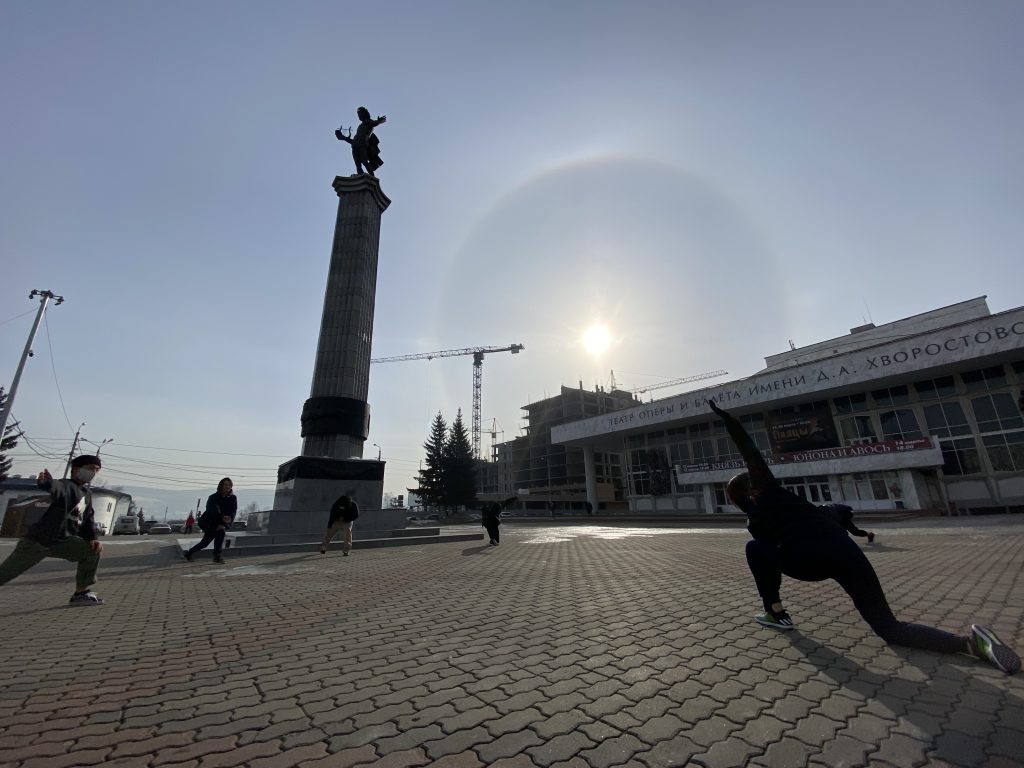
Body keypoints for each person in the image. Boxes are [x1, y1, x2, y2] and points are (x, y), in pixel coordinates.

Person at [708, 400, 1020, 674]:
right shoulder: (782, 497)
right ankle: (970, 643)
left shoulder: (759, 507)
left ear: (737, 497)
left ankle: (775, 611)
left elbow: (749, 452)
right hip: (845, 552)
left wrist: (729, 422)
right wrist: (729, 421)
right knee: (889, 627)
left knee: (754, 549)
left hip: (807, 562)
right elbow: (752, 453)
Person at [0, 455, 104, 605]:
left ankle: (80, 594)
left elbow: (87, 520)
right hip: (38, 542)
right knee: (5, 574)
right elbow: (57, 488)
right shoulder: (67, 485)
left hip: (61, 542)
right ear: (76, 469)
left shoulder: (86, 494)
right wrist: (47, 482)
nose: (93, 473)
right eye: (89, 468)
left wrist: (92, 538)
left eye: (97, 470)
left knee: (91, 551)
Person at [183, 478, 236, 564]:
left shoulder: (233, 498)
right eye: (226, 484)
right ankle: (189, 553)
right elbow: (211, 511)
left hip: (222, 523)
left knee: (220, 533)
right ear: (221, 485)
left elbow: (233, 511)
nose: (228, 487)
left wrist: (226, 522)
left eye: (229, 485)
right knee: (205, 543)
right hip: (210, 523)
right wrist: (220, 520)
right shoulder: (213, 497)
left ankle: (217, 557)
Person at [335, 107, 386, 176]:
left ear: (364, 114)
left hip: (362, 144)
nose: (359, 116)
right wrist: (343, 137)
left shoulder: (368, 121)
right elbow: (354, 140)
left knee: (364, 161)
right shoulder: (360, 125)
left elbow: (375, 123)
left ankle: (372, 177)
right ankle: (360, 175)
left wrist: (379, 121)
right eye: (358, 114)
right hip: (354, 144)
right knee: (357, 164)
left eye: (360, 114)